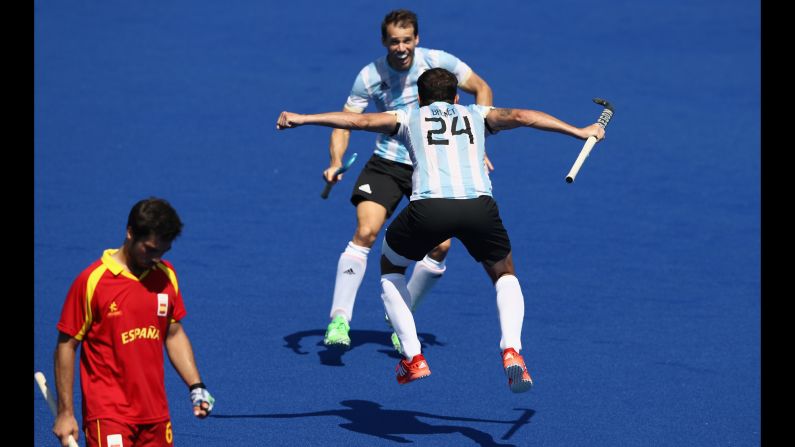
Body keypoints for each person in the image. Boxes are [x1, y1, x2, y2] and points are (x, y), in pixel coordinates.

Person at [276, 67, 605, 392]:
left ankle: (414, 357)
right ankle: (512, 350)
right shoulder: (477, 114)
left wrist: (302, 118)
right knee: (504, 273)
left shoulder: (408, 117)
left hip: (429, 209)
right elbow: (522, 115)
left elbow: (357, 121)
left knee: (391, 267)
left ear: (420, 98)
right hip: (480, 207)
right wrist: (578, 130)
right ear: (457, 97)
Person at [321, 9, 494, 352]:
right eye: (394, 41)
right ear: (384, 41)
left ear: (416, 39)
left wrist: (477, 143)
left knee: (441, 246)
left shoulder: (437, 61)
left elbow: (480, 88)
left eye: (406, 40)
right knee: (366, 232)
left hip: (430, 166)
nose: (401, 47)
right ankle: (339, 318)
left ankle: (403, 315)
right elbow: (346, 120)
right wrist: (336, 160)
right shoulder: (370, 76)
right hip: (386, 163)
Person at [51, 197, 215, 446]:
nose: (157, 257)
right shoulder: (92, 281)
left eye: (163, 251)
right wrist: (66, 413)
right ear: (130, 233)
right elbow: (67, 345)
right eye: (150, 249)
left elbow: (173, 333)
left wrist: (196, 385)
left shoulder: (166, 276)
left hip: (155, 414)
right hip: (108, 414)